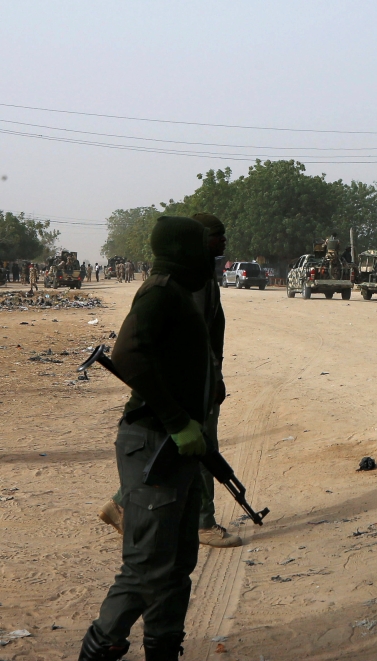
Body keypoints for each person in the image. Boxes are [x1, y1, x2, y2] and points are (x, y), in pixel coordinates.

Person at [79, 217, 213, 661]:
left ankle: (163, 648)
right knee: (146, 566)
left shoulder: (180, 292)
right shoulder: (160, 291)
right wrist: (177, 421)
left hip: (177, 446)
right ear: (180, 251)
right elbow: (128, 354)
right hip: (154, 441)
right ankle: (99, 647)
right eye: (204, 248)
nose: (212, 256)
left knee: (175, 567)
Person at [99, 213, 240, 549]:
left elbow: (208, 339)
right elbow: (135, 352)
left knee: (183, 450)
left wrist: (215, 376)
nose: (223, 242)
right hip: (179, 392)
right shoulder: (177, 286)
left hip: (197, 386)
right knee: (197, 448)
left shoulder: (204, 281)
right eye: (216, 236)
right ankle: (202, 522)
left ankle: (123, 504)